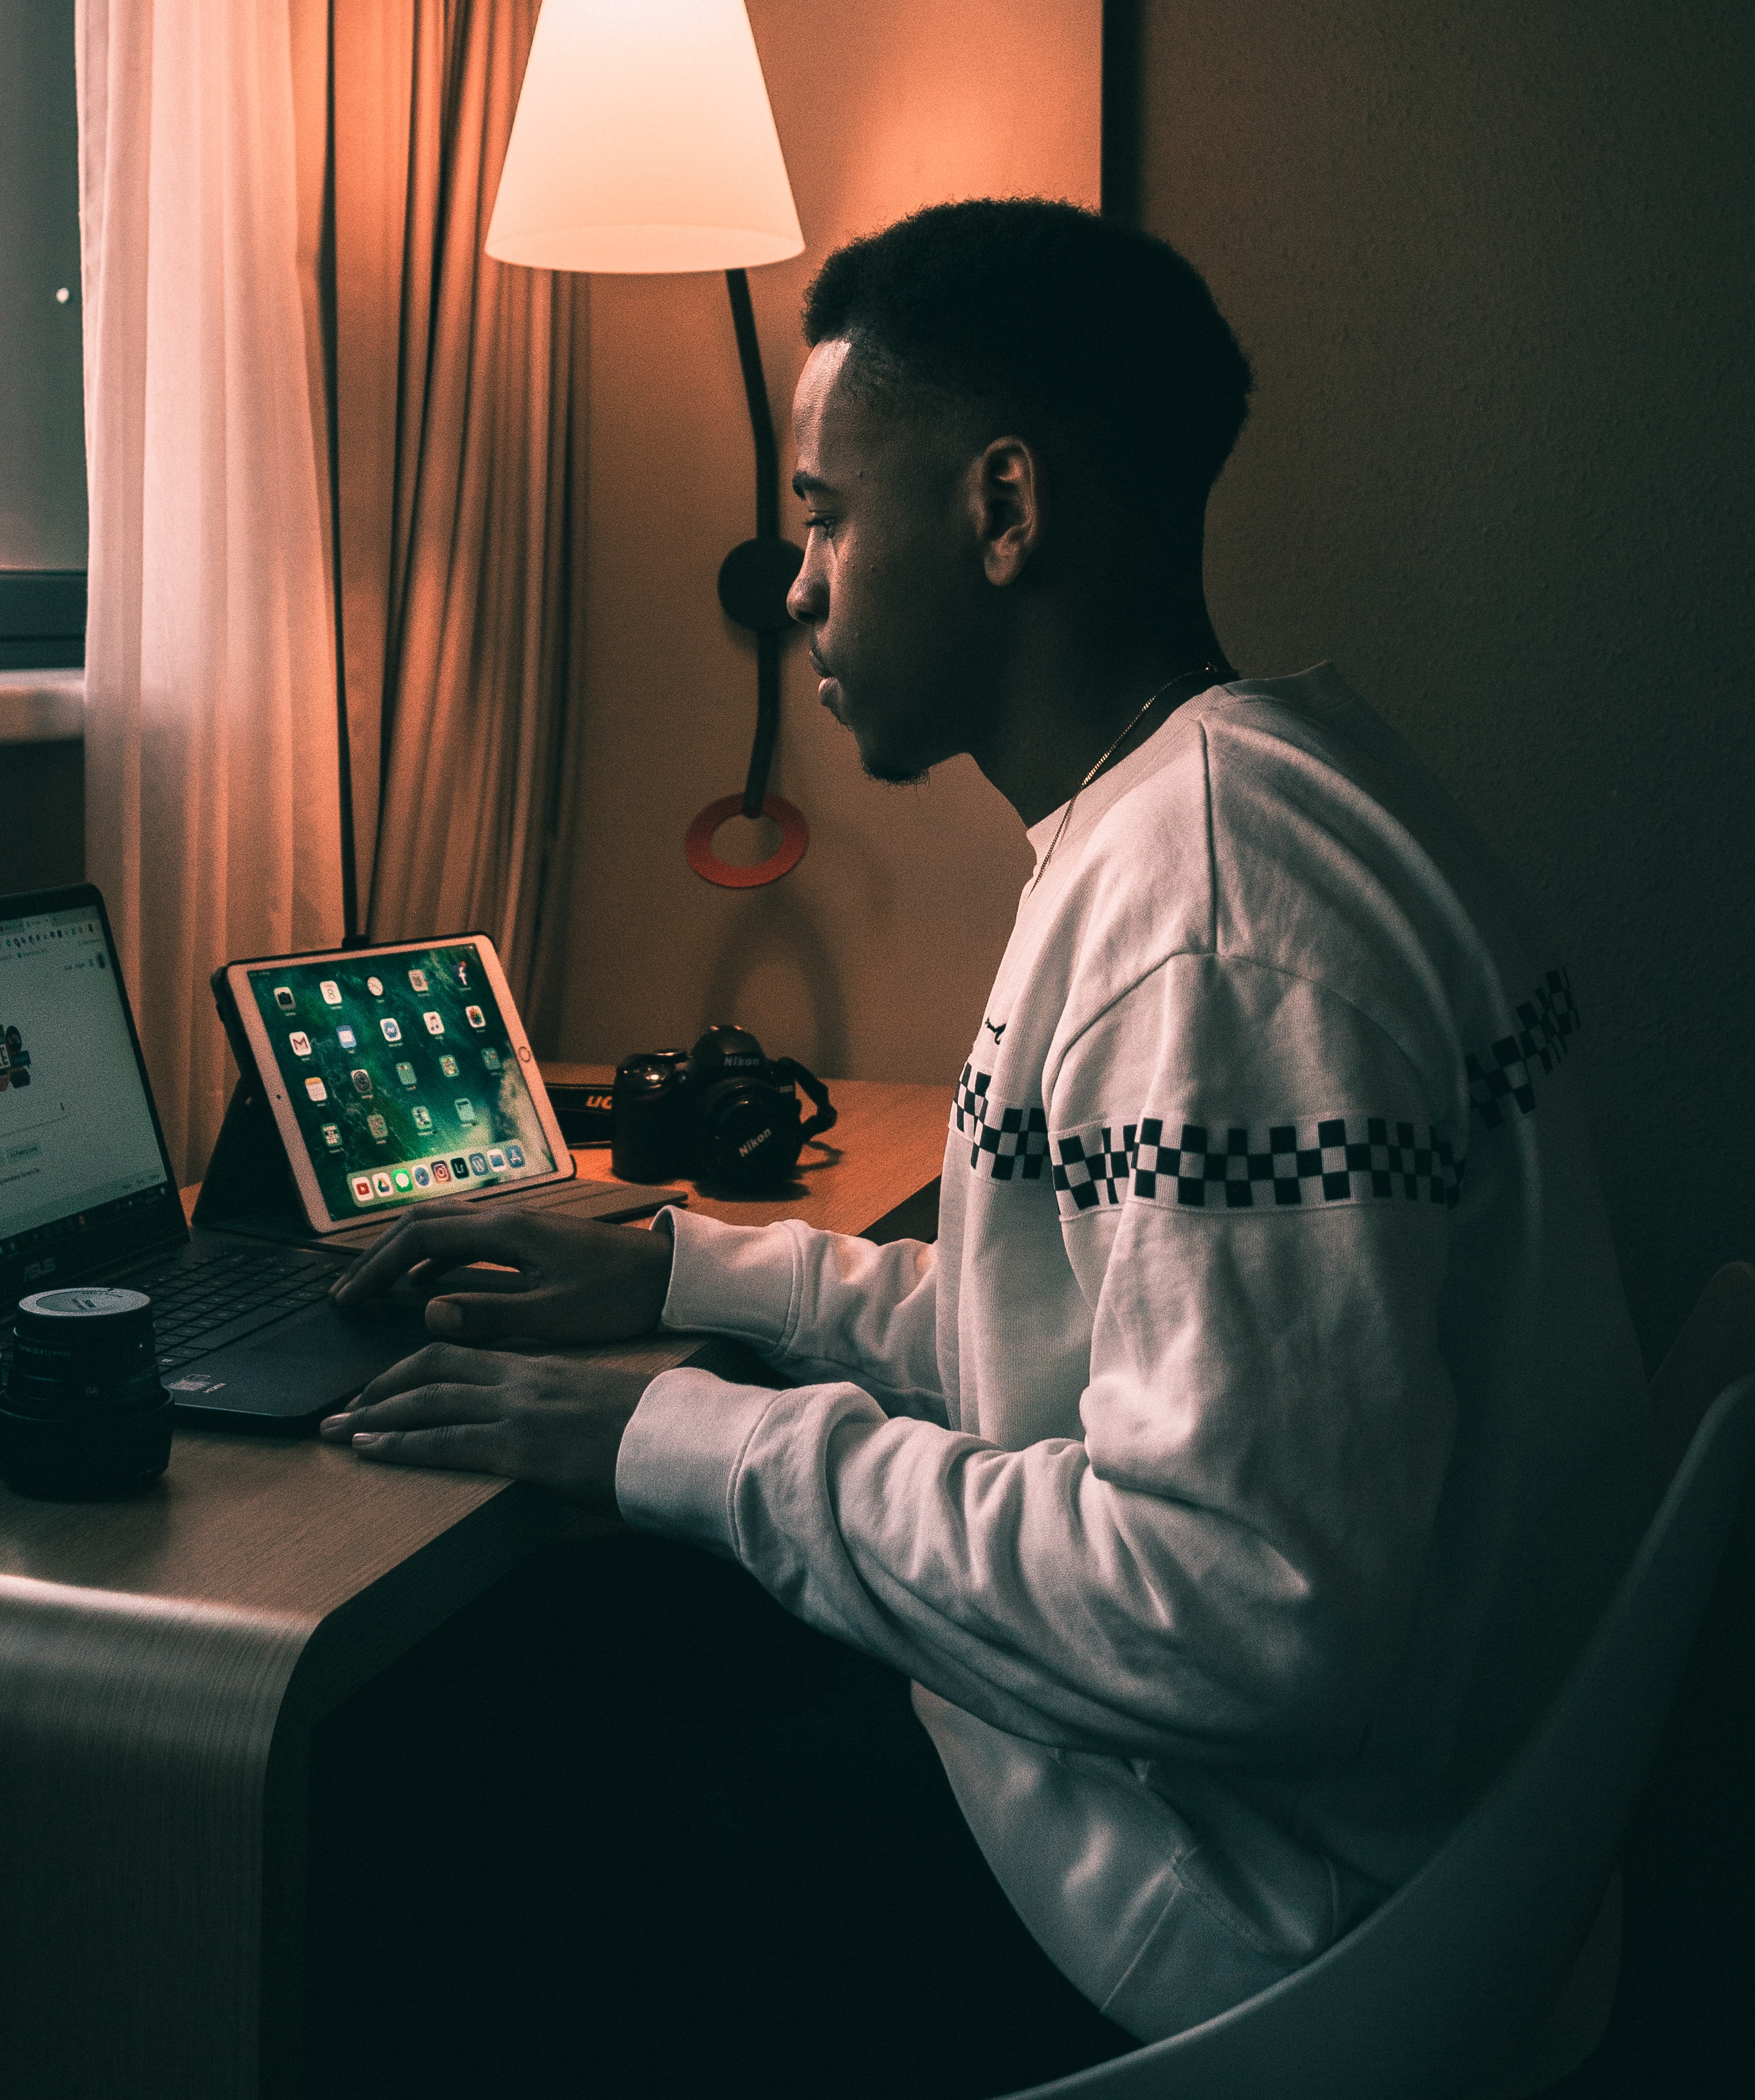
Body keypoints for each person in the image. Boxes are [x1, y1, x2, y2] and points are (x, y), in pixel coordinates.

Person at [311, 198, 1653, 2097]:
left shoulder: (1210, 912)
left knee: (508, 1773)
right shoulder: (1250, 799)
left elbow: (1240, 1608)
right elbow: (1105, 1335)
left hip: (1261, 1922)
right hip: (1374, 1826)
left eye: (828, 515)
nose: (795, 584)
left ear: (1005, 509)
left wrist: (676, 1434)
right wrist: (698, 1272)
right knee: (628, 1617)